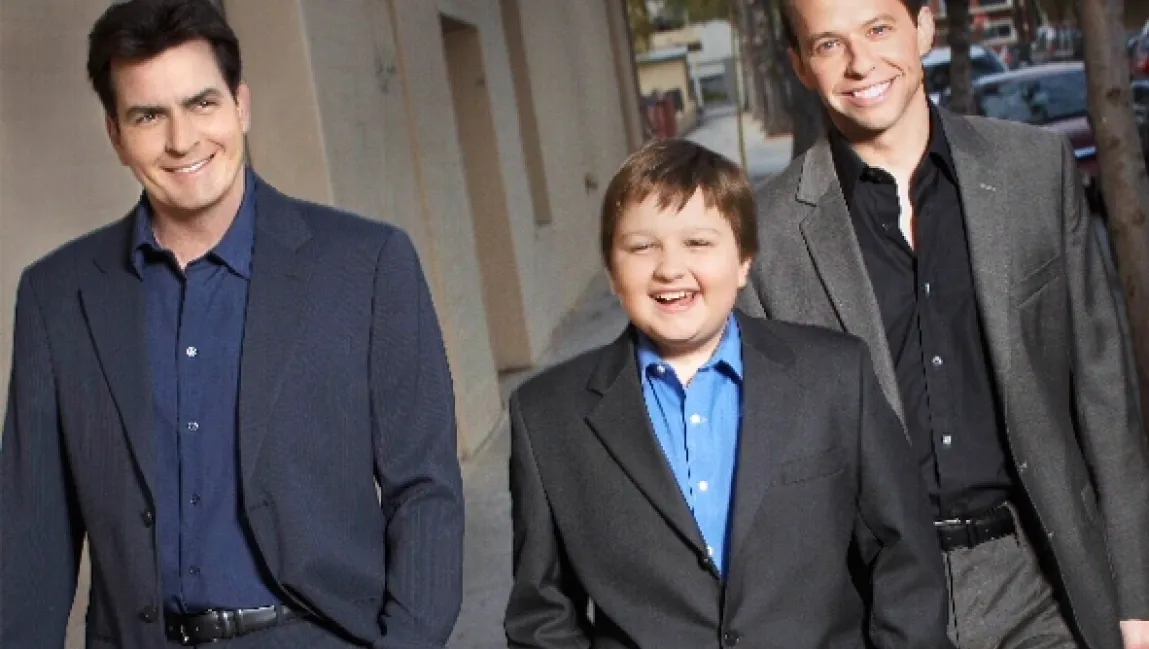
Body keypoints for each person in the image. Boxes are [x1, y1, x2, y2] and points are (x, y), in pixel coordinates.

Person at [0, 1, 464, 647]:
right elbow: (32, 532)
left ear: (241, 105)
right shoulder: (56, 295)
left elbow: (425, 488)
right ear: (115, 134)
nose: (182, 140)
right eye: (148, 115)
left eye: (202, 103)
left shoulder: (367, 265)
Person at [738, 1, 1149, 648]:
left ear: (924, 27)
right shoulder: (766, 238)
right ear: (799, 64)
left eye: (878, 29)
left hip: (1040, 582)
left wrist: (1136, 600)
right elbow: (768, 473)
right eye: (828, 44)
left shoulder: (1033, 171)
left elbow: (1105, 400)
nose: (861, 63)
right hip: (878, 605)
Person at [504, 138, 954, 649]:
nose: (670, 268)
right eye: (642, 246)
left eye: (698, 243)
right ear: (611, 270)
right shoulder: (547, 416)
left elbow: (904, 557)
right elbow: (542, 616)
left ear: (743, 260)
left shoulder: (834, 375)